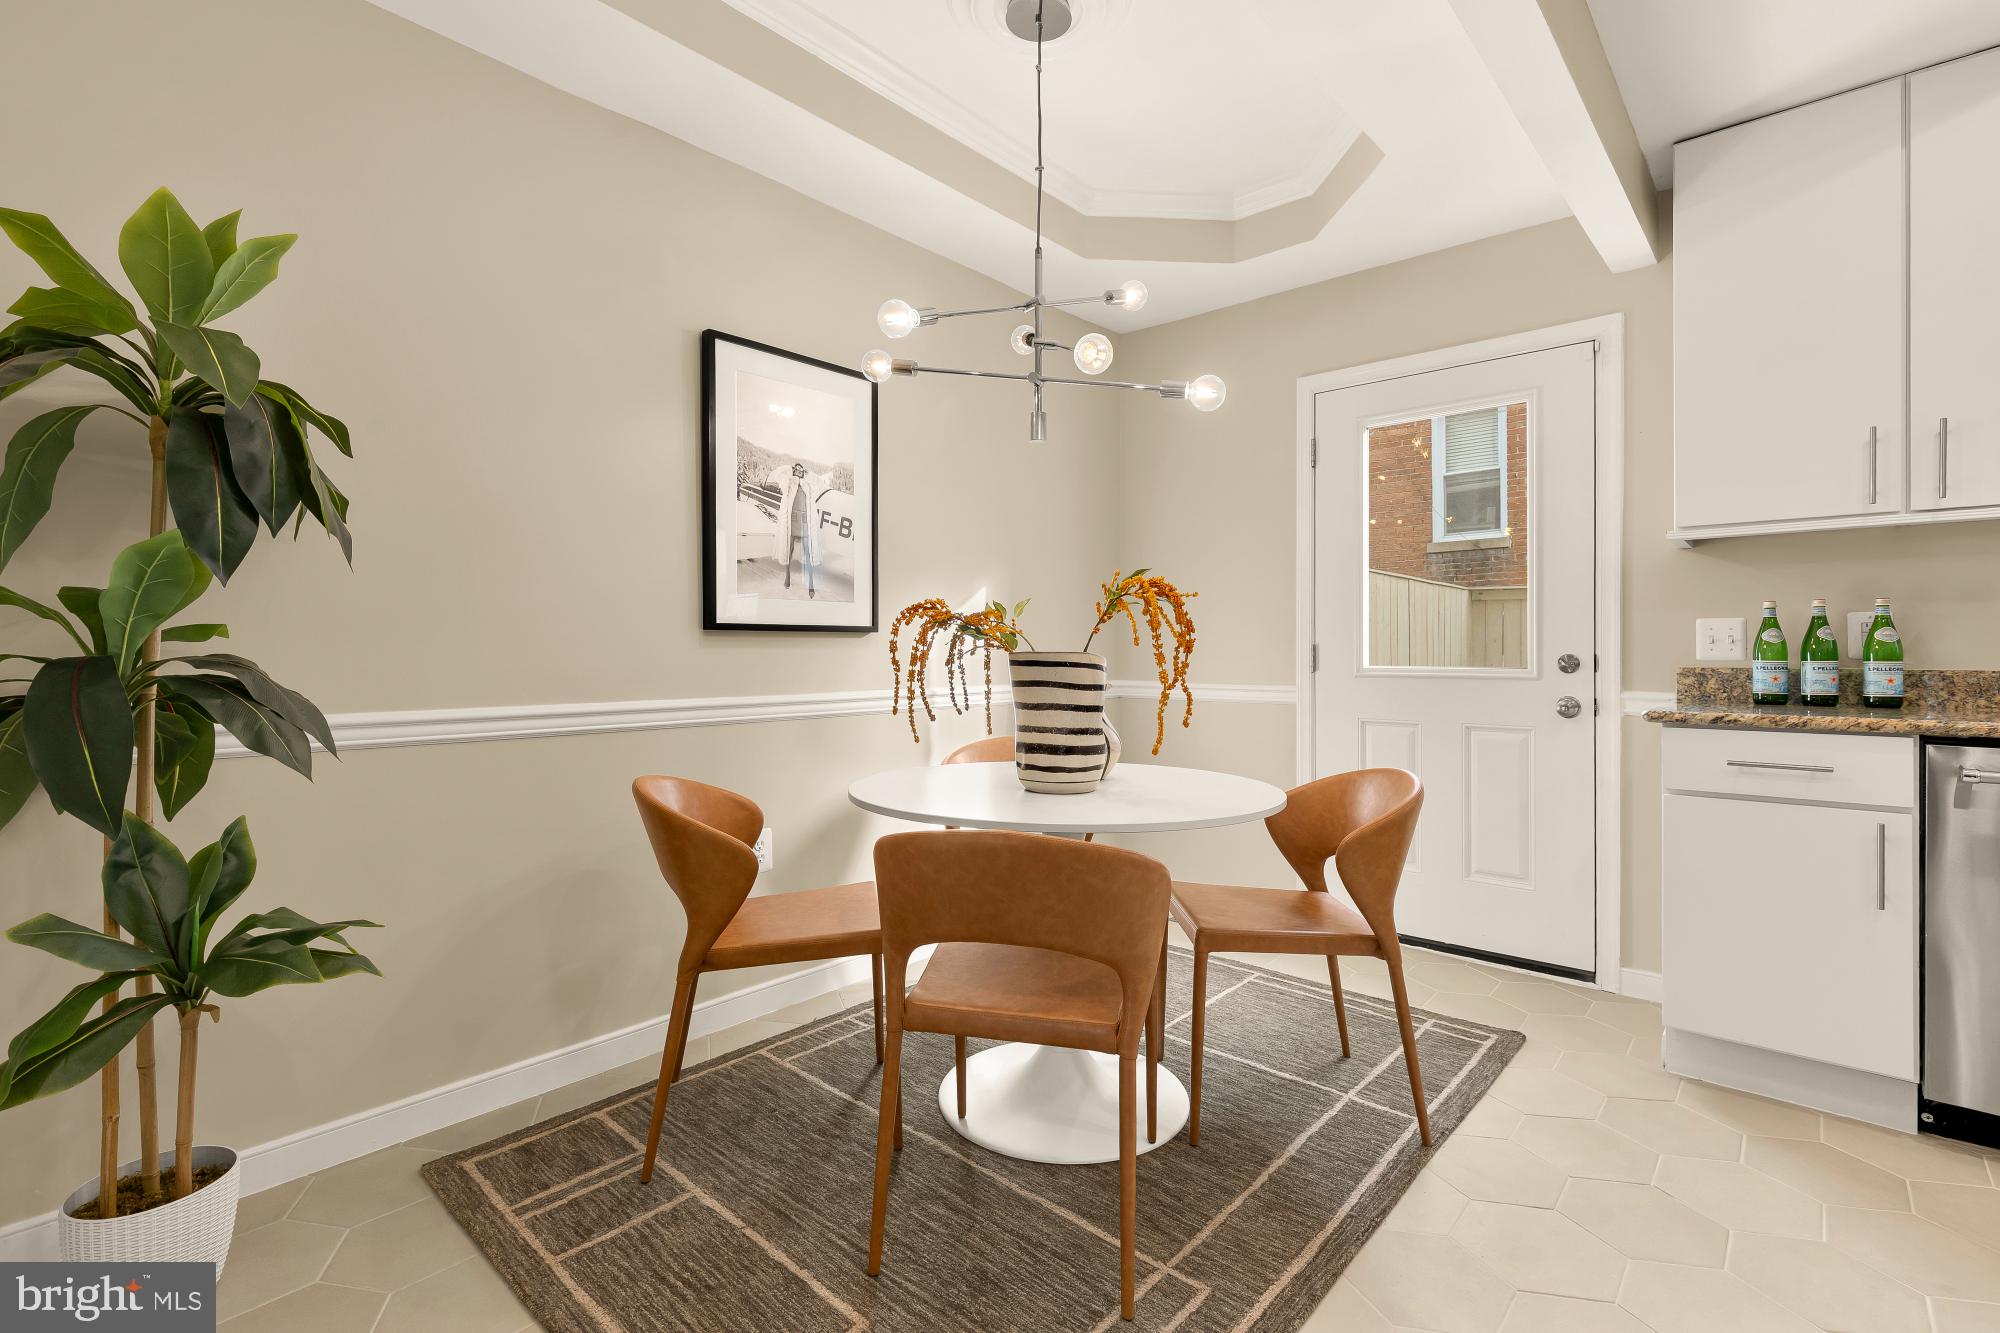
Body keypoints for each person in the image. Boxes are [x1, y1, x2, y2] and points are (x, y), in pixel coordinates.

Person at [771, 461, 826, 598]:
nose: (798, 471)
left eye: (801, 470)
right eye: (796, 469)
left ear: (803, 472)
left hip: (806, 523)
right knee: (788, 551)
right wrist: (789, 468)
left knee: (809, 554)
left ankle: (811, 584)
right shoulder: (788, 484)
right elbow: (777, 473)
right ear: (793, 470)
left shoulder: (809, 486)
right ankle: (787, 576)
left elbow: (820, 482)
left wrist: (808, 474)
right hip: (791, 522)